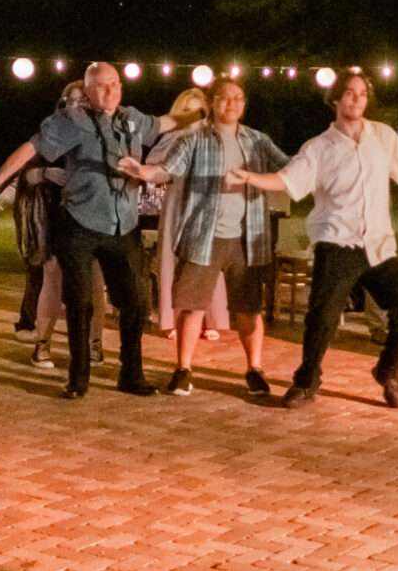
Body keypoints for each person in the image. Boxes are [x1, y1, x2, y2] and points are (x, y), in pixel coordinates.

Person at [227, 71, 398, 410]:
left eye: (362, 93)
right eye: (349, 93)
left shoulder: (382, 136)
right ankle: (306, 380)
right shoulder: (319, 147)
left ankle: (389, 371)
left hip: (378, 244)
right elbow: (287, 179)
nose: (357, 99)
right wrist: (251, 178)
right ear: (335, 99)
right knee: (322, 318)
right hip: (338, 241)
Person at [34, 61, 193, 398]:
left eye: (115, 83)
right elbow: (34, 147)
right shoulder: (74, 120)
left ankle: (131, 375)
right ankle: (78, 379)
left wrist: (199, 113)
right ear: (88, 90)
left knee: (135, 301)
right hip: (80, 222)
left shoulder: (132, 119)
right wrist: (1, 182)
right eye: (102, 85)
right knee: (80, 303)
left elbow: (165, 122)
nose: (110, 90)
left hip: (123, 223)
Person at [121, 77, 285, 396]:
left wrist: (317, 168)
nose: (231, 103)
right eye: (224, 97)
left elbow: (288, 169)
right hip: (203, 234)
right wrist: (143, 172)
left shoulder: (257, 140)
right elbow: (168, 169)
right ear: (211, 102)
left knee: (249, 308)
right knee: (192, 305)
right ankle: (183, 369)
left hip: (246, 238)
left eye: (238, 98)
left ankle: (255, 369)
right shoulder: (194, 138)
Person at [0, 81, 105, 370]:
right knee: (52, 276)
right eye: (72, 100)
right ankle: (42, 344)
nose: (78, 106)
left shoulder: (101, 133)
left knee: (95, 280)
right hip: (54, 213)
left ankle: (94, 343)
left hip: (91, 215)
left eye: (84, 101)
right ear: (63, 103)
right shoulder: (54, 132)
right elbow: (25, 173)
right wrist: (44, 173)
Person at [147, 87, 229, 343]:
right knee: (172, 260)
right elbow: (152, 164)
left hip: (206, 203)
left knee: (207, 260)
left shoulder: (214, 137)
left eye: (198, 111)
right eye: (187, 111)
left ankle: (210, 319)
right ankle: (171, 319)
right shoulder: (173, 138)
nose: (193, 116)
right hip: (178, 203)